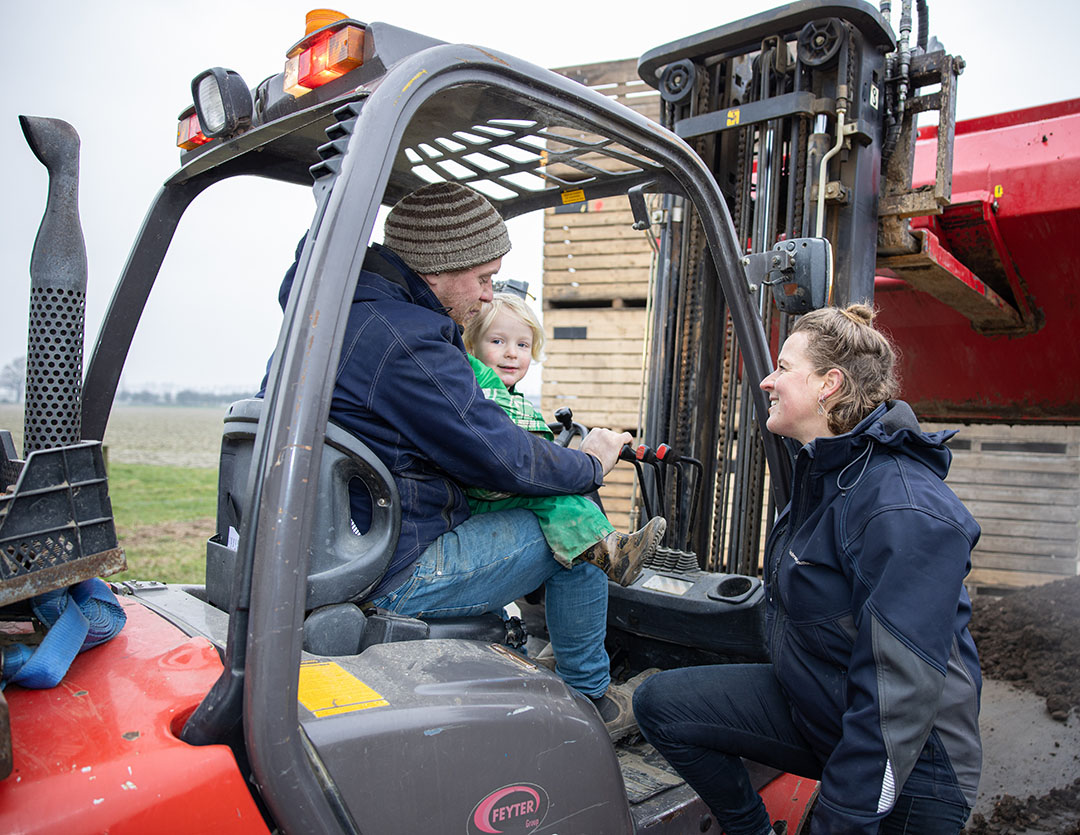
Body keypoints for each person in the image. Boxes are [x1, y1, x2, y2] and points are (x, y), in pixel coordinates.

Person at [271, 181, 636, 737]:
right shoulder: (406, 339)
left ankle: (552, 655)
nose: (490, 296)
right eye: (484, 278)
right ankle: (590, 697)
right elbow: (503, 459)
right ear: (439, 268)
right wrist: (589, 463)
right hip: (399, 568)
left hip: (338, 546)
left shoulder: (333, 313)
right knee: (582, 527)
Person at [632, 305, 982, 834]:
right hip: (826, 709)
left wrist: (841, 819)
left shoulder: (903, 508)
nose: (767, 380)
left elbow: (897, 703)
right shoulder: (826, 477)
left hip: (911, 766)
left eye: (783, 366)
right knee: (663, 705)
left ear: (829, 384)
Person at [461, 292, 666, 586]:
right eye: (497, 341)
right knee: (561, 501)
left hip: (494, 489)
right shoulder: (479, 380)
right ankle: (613, 553)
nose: (511, 353)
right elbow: (518, 453)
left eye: (522, 345)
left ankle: (609, 550)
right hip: (484, 498)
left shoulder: (507, 395)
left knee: (565, 506)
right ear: (471, 345)